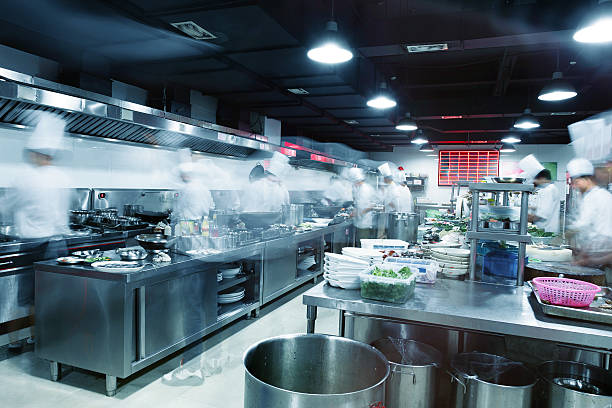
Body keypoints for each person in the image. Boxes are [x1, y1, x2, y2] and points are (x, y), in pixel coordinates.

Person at [0, 112, 71, 349]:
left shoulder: (25, 178)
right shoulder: (61, 178)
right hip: (59, 245)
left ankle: (18, 341)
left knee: (27, 297)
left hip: (34, 245)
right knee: (53, 295)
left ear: (35, 153)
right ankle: (50, 338)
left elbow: (5, 207)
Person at [566, 158, 612, 264]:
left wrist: (567, 234)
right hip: (596, 249)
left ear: (587, 179)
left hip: (602, 248)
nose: (575, 186)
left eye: (576, 182)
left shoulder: (597, 196)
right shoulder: (593, 195)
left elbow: (583, 224)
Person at [347, 167, 377, 244]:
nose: (353, 184)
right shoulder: (358, 188)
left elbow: (371, 205)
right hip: (359, 221)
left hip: (365, 222)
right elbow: (357, 203)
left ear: (357, 180)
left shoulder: (366, 189)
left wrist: (359, 213)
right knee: (359, 241)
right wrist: (355, 212)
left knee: (363, 242)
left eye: (354, 182)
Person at [528, 169, 560, 234]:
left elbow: (542, 214)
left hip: (545, 229)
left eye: (536, 180)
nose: (535, 182)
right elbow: (543, 206)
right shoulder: (552, 188)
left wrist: (524, 219)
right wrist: (531, 207)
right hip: (549, 227)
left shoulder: (548, 190)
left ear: (543, 178)